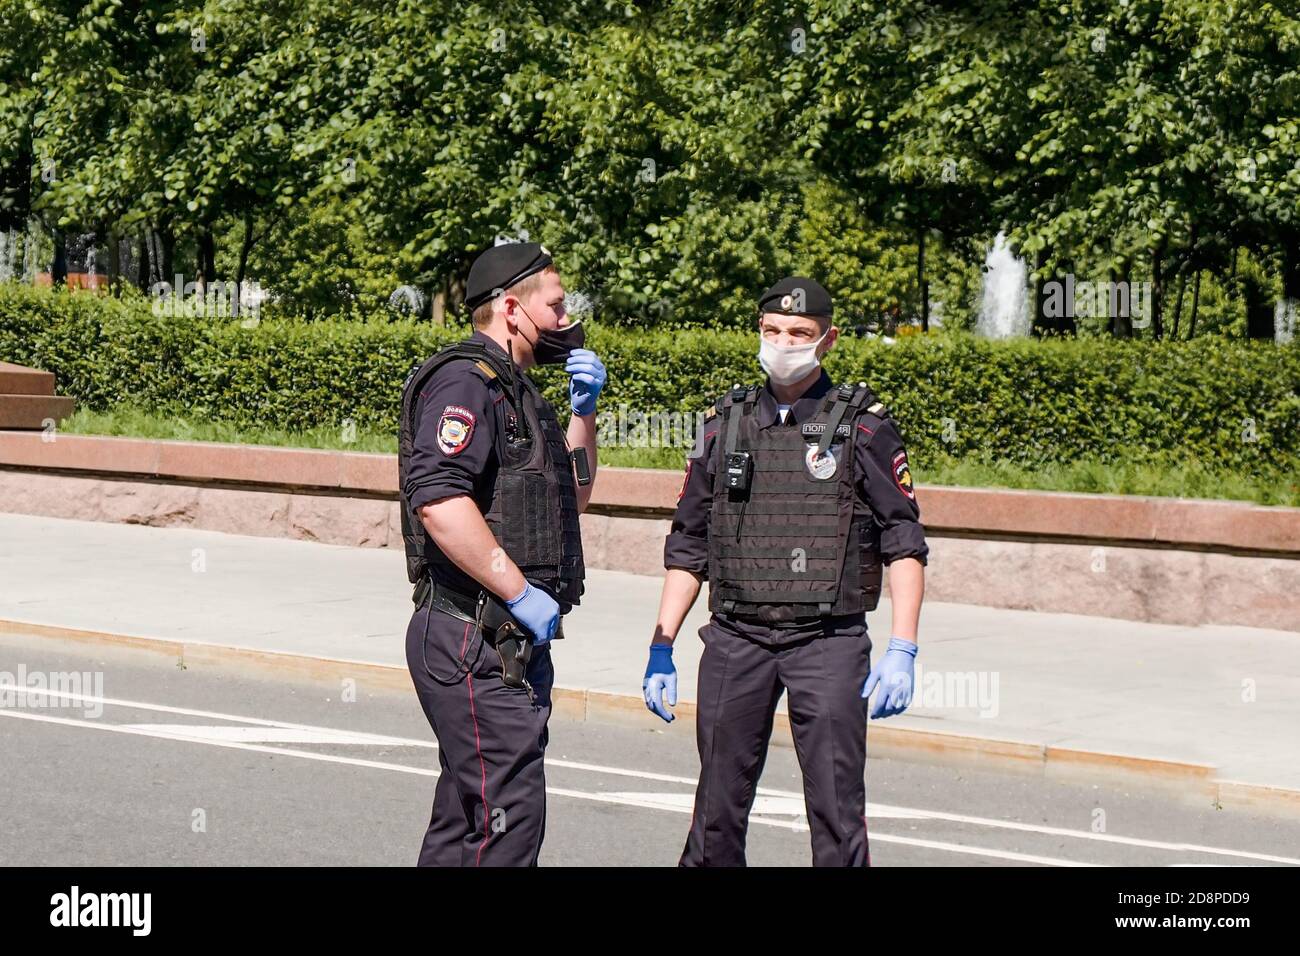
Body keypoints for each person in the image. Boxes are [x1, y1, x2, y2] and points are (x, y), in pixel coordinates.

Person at [642, 276, 927, 867]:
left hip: (827, 641)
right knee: (716, 813)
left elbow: (903, 539)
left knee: (836, 813)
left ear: (829, 340)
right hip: (736, 639)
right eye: (772, 331)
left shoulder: (863, 427)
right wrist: (661, 643)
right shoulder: (722, 426)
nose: (783, 342)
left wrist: (904, 645)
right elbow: (689, 542)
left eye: (800, 333)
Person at [397, 241, 606, 866]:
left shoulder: (521, 394)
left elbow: (575, 496)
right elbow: (437, 500)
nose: (567, 322)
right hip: (473, 636)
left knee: (467, 818)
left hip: (503, 642)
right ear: (513, 308)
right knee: (508, 822)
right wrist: (517, 591)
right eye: (557, 306)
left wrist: (584, 414)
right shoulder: (465, 381)